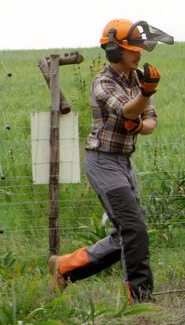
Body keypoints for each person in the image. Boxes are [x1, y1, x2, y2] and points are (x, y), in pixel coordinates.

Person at [49, 19, 173, 302]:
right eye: (132, 49)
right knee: (134, 230)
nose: (139, 53)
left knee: (127, 235)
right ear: (115, 50)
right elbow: (129, 111)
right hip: (103, 162)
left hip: (125, 164)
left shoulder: (136, 79)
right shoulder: (103, 82)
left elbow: (149, 122)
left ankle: (65, 266)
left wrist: (140, 124)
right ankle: (141, 301)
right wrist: (146, 94)